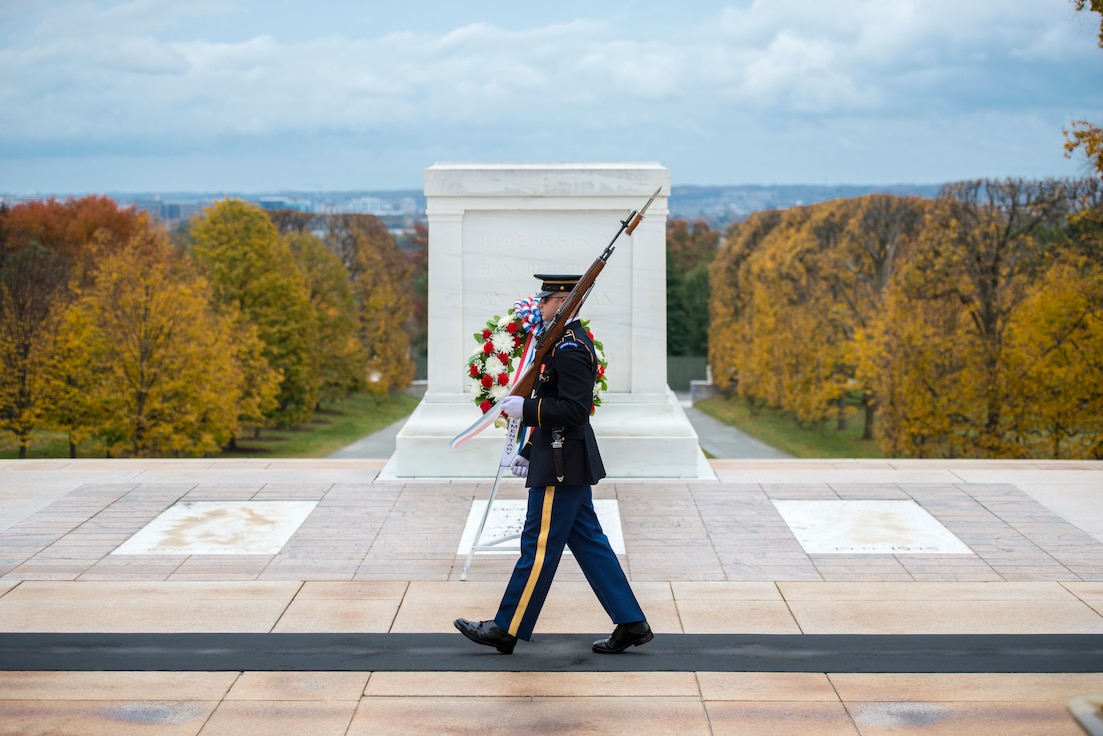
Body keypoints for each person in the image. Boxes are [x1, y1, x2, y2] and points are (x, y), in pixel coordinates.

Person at [454, 274, 652, 655]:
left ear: (561, 303)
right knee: (590, 543)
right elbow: (554, 398)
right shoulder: (560, 344)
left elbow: (576, 410)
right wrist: (529, 451)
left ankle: (506, 627)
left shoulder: (570, 349)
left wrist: (525, 408)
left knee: (538, 546)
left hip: (563, 463)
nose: (539, 306)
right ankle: (631, 622)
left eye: (545, 301)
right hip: (561, 456)